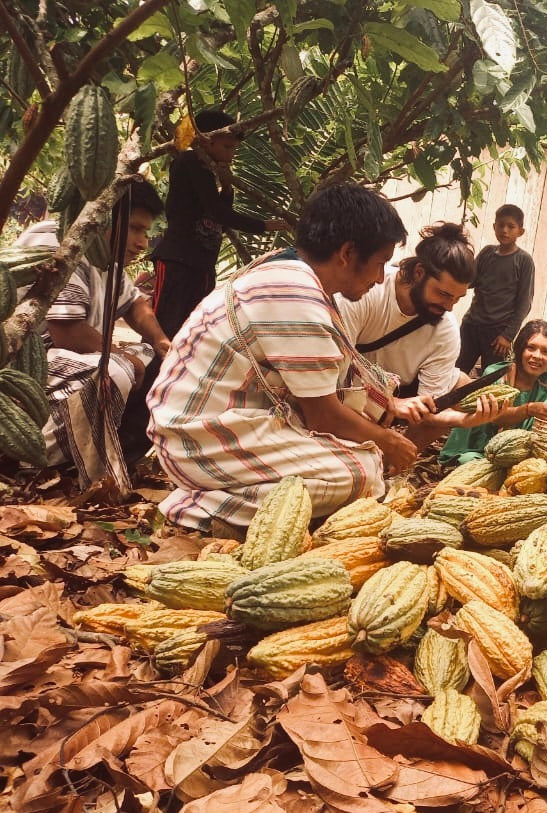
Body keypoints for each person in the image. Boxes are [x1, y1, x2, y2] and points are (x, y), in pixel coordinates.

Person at [147, 183, 504, 534]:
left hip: (221, 418)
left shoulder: (293, 273)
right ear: (347, 253)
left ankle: (227, 496)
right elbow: (324, 413)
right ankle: (200, 507)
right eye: (380, 263)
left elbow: (342, 381)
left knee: (362, 452)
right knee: (361, 474)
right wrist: (388, 441)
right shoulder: (295, 292)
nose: (380, 277)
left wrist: (397, 410)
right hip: (193, 435)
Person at [12, 180, 171, 481]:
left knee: (154, 360)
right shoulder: (60, 242)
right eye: (136, 229)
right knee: (115, 372)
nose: (142, 243)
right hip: (20, 365)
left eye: (145, 232)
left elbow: (135, 304)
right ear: (105, 216)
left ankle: (114, 453)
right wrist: (124, 357)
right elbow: (67, 332)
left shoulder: (105, 258)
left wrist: (161, 341)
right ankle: (31, 459)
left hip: (57, 362)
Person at [337, 222, 499, 449]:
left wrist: (464, 420)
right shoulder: (366, 292)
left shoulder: (445, 330)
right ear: (419, 272)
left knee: (459, 383)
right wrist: (388, 401)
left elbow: (431, 410)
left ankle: (393, 461)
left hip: (403, 390)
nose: (449, 306)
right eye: (443, 294)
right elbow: (334, 372)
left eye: (457, 299)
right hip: (347, 385)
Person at [150, 110, 288, 337]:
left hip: (201, 262)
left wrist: (227, 186)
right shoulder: (190, 161)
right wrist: (264, 225)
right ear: (206, 140)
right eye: (227, 147)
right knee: (166, 326)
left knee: (192, 330)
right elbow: (218, 213)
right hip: (179, 259)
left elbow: (218, 217)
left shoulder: (208, 170)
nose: (231, 156)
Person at [439, 319, 547, 465]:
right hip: (479, 450)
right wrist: (529, 409)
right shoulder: (497, 374)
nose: (537, 356)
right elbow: (495, 417)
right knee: (470, 462)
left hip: (518, 456)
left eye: (545, 352)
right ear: (520, 349)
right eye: (531, 348)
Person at [455, 204, 534, 376]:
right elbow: (469, 281)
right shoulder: (487, 253)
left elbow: (524, 304)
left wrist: (508, 335)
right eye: (501, 225)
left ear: (520, 232)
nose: (505, 230)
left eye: (511, 226)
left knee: (490, 378)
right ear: (494, 227)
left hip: (498, 334)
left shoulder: (523, 261)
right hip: (471, 325)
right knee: (455, 370)